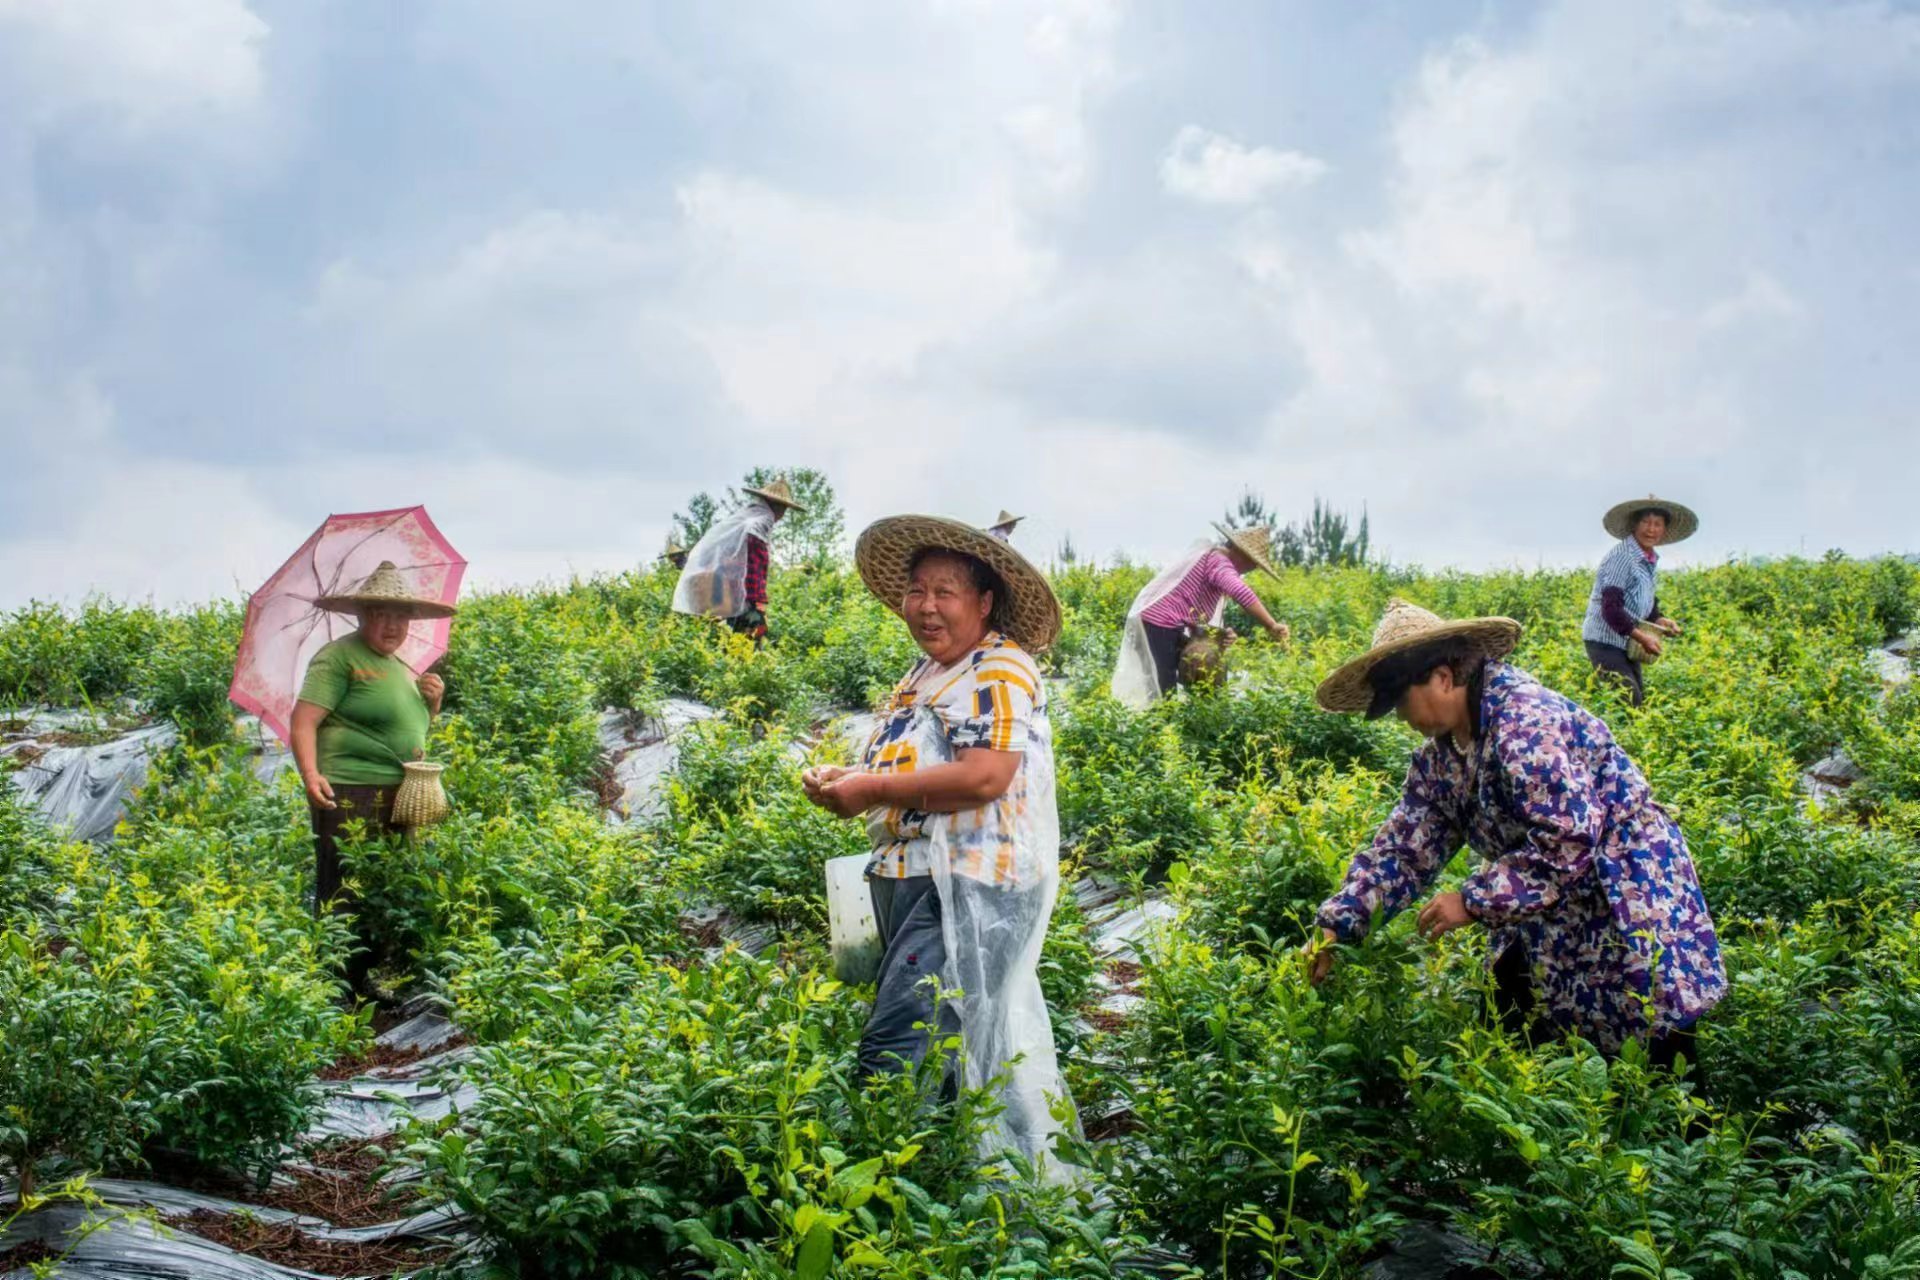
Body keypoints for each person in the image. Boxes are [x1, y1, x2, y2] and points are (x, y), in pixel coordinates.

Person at [1304, 599, 1725, 1067]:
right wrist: (1339, 923)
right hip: (1543, 901)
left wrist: (1472, 901)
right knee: (1520, 1031)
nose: (1400, 717)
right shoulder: (1442, 757)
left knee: (1651, 1038)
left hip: (1622, 887)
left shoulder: (1524, 720)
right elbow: (1404, 850)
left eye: (1401, 701)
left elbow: (1567, 839)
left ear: (1442, 677)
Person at [801, 514, 1071, 1169]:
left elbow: (984, 776)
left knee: (899, 1045)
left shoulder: (1000, 668)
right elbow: (919, 759)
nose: (925, 606)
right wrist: (852, 775)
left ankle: (891, 1188)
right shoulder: (929, 670)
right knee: (949, 1044)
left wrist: (870, 790)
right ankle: (966, 1184)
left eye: (945, 591)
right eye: (916, 590)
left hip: (967, 883)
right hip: (916, 876)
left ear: (984, 602)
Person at [289, 561, 452, 998]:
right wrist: (310, 774)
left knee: (384, 887)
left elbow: (406, 729)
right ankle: (332, 991)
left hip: (398, 793)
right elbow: (303, 721)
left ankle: (362, 983)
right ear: (362, 615)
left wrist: (432, 704)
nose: (392, 625)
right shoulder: (339, 657)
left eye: (401, 616)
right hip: (349, 791)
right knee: (346, 887)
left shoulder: (401, 665)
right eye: (381, 614)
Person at [1111, 524, 1292, 709]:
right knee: (1163, 688)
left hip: (1162, 624)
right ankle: (1163, 722)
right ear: (1240, 552)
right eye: (1251, 563)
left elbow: (1193, 612)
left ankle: (1187, 719)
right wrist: (1271, 625)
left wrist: (1221, 634)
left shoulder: (1211, 559)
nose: (1249, 569)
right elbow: (1240, 591)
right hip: (1157, 623)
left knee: (1195, 670)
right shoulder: (1219, 561)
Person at [1581, 495, 1695, 707]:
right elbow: (1611, 608)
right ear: (1635, 524)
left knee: (1637, 701)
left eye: (1657, 524)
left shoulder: (1649, 558)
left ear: (1664, 529)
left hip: (1627, 641)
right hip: (1605, 641)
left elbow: (1644, 598)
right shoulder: (1622, 556)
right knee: (1628, 701)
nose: (1651, 529)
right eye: (1645, 522)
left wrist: (1659, 620)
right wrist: (1643, 638)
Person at [670, 476, 806, 643]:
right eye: (783, 508)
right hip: (741, 594)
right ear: (776, 506)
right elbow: (756, 564)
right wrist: (758, 601)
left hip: (726, 591)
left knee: (727, 639)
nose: (782, 514)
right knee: (751, 637)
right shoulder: (762, 521)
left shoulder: (744, 518)